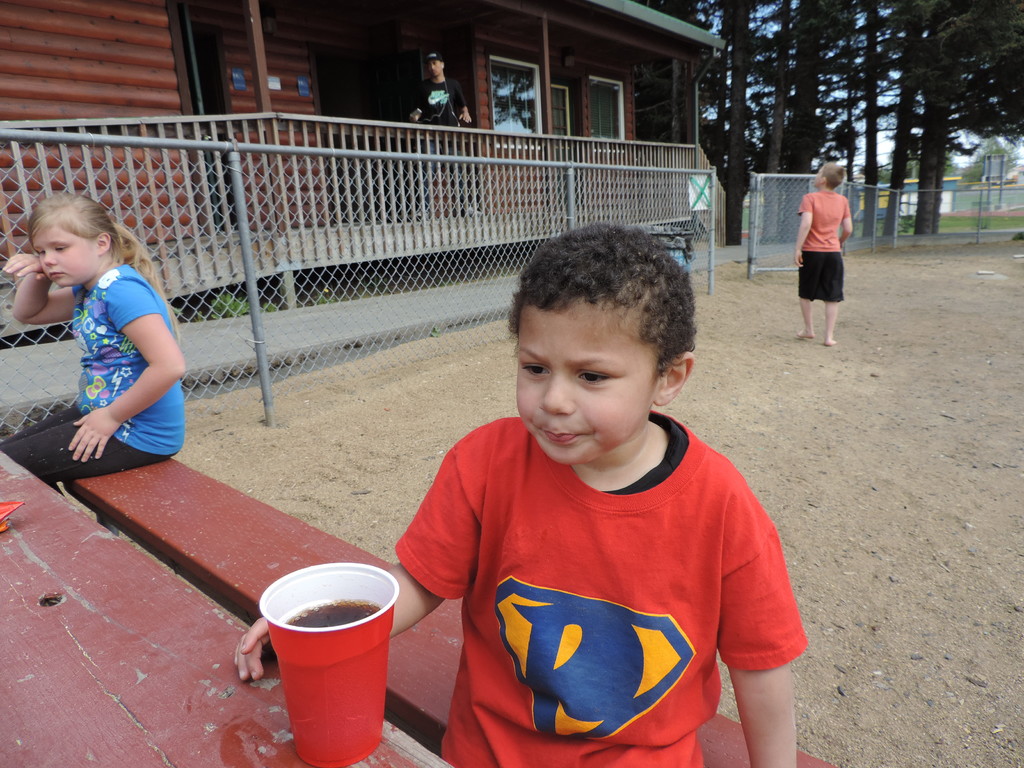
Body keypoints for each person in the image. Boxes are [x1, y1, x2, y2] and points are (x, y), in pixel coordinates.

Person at [235, 223, 807, 768]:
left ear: (669, 378)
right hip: (488, 751)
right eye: (535, 367)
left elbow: (761, 667)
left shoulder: (722, 506)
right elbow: (422, 581)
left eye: (591, 376)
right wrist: (322, 632)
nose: (553, 399)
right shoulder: (485, 463)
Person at [1, 193, 186, 487]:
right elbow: (29, 313)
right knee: (5, 460)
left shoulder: (120, 291)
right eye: (41, 251)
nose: (49, 259)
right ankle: (59, 531)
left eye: (60, 248)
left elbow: (169, 366)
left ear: (101, 243)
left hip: (138, 432)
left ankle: (61, 533)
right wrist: (41, 272)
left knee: (8, 473)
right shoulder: (89, 290)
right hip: (105, 415)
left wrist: (111, 417)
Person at [793, 161, 853, 347]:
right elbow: (848, 228)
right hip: (833, 253)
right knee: (832, 295)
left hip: (812, 252)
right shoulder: (842, 201)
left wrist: (798, 248)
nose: (815, 175)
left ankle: (809, 329)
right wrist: (839, 242)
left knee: (805, 292)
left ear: (823, 180)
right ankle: (828, 337)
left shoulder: (810, 198)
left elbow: (806, 223)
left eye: (818, 173)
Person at [409, 52, 472, 127]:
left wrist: (465, 113)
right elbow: (418, 109)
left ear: (442, 64)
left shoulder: (453, 84)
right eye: (429, 64)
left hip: (451, 130)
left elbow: (462, 105)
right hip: (431, 131)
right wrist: (414, 117)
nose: (432, 67)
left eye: (434, 63)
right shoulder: (422, 86)